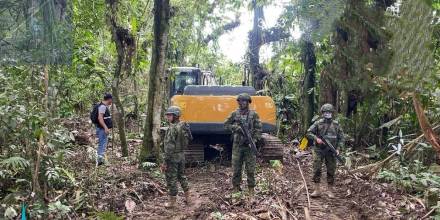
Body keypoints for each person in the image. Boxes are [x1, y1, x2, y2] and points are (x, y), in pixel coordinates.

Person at [224, 93, 262, 195]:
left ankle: (251, 190)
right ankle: (236, 188)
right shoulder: (234, 114)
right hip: (237, 145)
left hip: (249, 146)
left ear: (248, 102)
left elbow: (258, 130)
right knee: (236, 168)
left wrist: (253, 140)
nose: (242, 103)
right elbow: (226, 124)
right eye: (240, 101)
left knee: (250, 169)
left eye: (244, 101)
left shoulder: (253, 115)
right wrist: (236, 128)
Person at [306, 103, 345, 198]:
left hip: (331, 151)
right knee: (317, 168)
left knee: (331, 170)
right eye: (326, 112)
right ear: (322, 113)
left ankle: (330, 190)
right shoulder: (318, 123)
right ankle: (317, 189)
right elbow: (308, 133)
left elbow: (341, 138)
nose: (327, 114)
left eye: (329, 112)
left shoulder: (336, 125)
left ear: (332, 113)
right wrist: (316, 139)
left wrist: (339, 148)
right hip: (319, 150)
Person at [161, 106, 193, 208]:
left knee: (172, 179)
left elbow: (169, 146)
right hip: (181, 155)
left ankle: (172, 202)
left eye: (170, 115)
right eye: (167, 115)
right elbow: (190, 138)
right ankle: (189, 199)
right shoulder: (183, 125)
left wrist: (165, 161)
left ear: (175, 116)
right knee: (181, 176)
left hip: (173, 157)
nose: (167, 117)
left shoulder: (172, 128)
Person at [95, 93, 113, 166]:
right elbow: (100, 118)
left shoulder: (103, 106)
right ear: (109, 99)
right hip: (102, 128)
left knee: (102, 143)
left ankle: (100, 160)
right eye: (111, 99)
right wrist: (105, 127)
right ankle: (100, 161)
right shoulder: (102, 107)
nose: (112, 101)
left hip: (102, 128)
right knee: (102, 143)